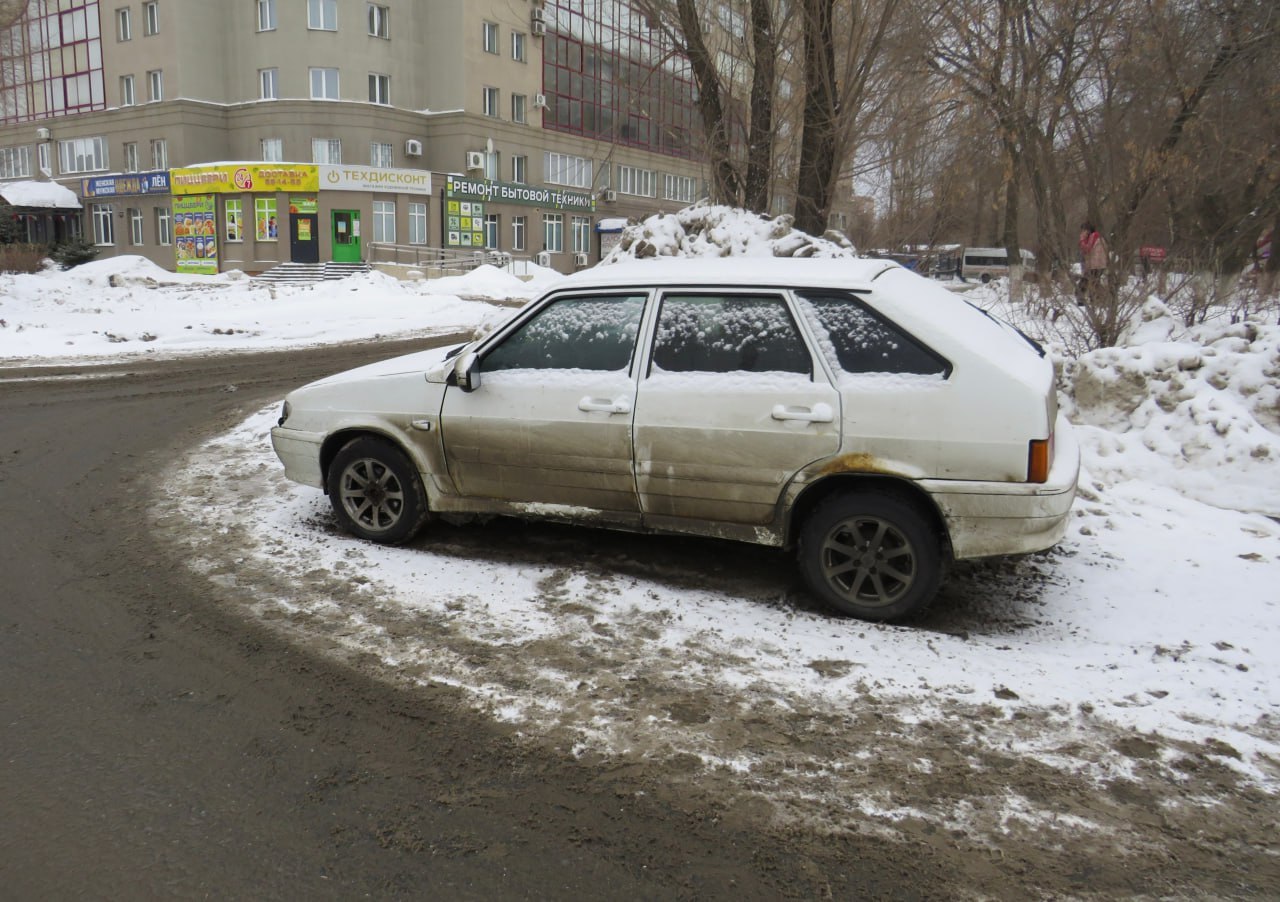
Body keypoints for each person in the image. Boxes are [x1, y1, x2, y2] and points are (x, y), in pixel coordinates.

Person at [1078, 222, 1107, 301]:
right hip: (1099, 264)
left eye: (1083, 230)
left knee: (1085, 282)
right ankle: (1097, 300)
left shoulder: (1093, 236)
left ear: (1088, 230)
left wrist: (1082, 239)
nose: (1082, 233)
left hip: (1095, 265)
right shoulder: (1097, 236)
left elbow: (1087, 249)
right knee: (1094, 283)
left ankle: (1081, 300)